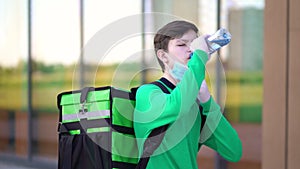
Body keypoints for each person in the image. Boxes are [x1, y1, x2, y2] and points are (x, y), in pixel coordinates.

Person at [134, 20, 242, 169]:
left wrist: (207, 101)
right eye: (181, 44)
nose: (191, 50)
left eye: (194, 44)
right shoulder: (147, 94)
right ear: (163, 56)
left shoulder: (196, 105)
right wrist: (200, 56)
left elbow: (233, 150)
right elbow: (177, 106)